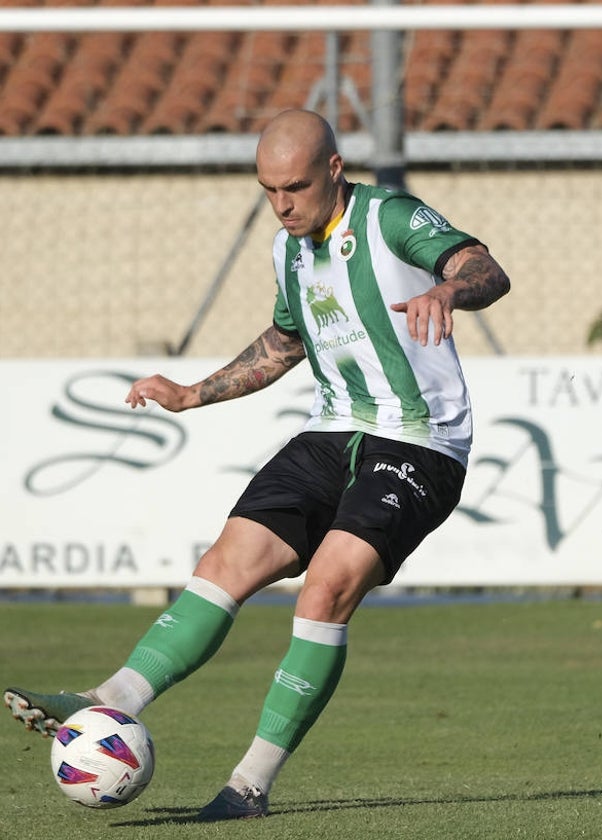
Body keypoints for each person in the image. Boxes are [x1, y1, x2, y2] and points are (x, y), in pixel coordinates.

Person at [5, 109, 510, 821]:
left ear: (335, 169)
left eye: (296, 187)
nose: (282, 204)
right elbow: (283, 344)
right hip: (332, 430)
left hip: (420, 443)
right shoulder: (289, 249)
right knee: (226, 560)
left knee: (326, 587)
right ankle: (106, 699)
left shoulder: (389, 218)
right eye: (269, 190)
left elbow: (484, 267)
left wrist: (447, 289)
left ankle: (248, 786)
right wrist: (192, 393)